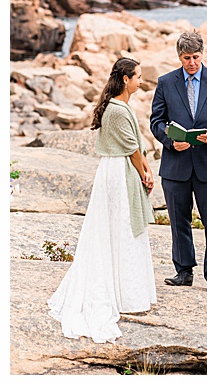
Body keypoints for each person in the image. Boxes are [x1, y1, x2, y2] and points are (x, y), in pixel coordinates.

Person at [48, 57, 158, 343]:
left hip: (120, 168)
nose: (141, 81)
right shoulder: (118, 110)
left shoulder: (119, 106)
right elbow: (133, 150)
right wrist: (144, 173)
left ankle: (126, 290)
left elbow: (136, 148)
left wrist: (145, 169)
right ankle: (123, 295)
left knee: (122, 229)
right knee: (121, 229)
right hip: (118, 172)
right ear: (125, 79)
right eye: (138, 76)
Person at [149, 30, 207, 294]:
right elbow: (156, 121)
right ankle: (183, 271)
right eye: (186, 58)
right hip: (176, 165)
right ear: (179, 57)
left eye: (196, 57)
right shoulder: (165, 83)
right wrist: (169, 141)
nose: (192, 63)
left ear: (202, 54)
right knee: (179, 220)